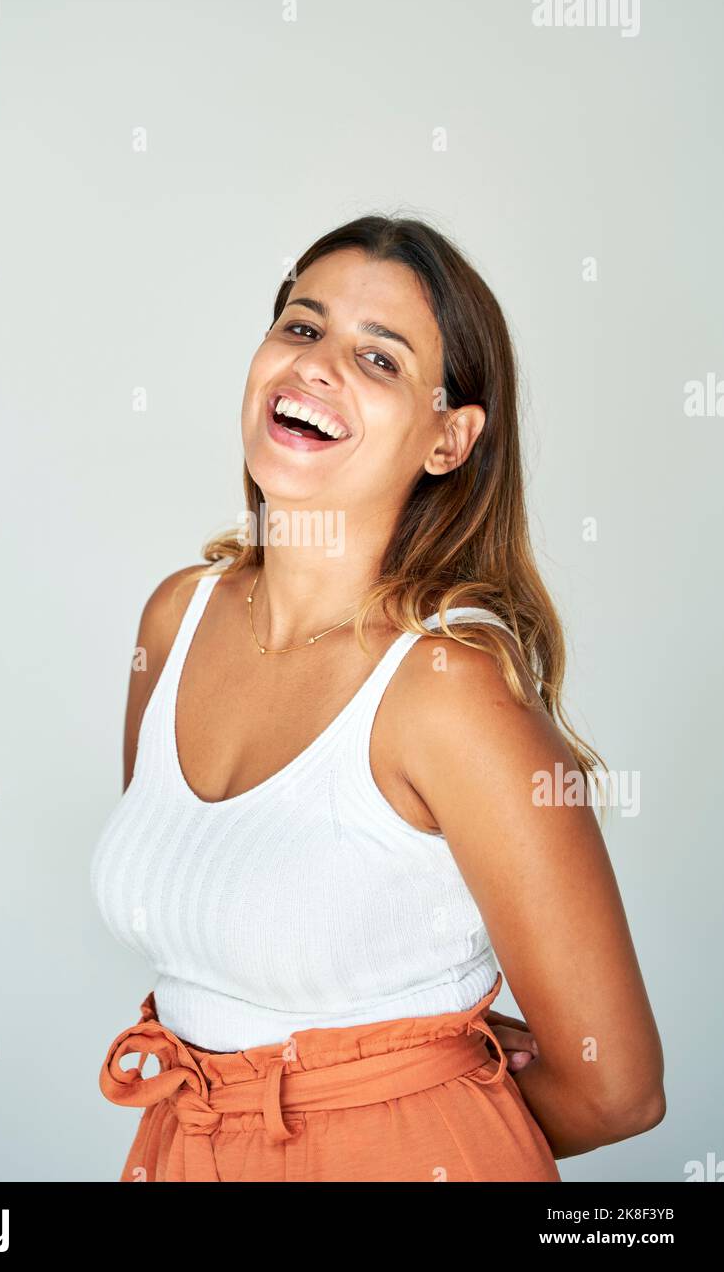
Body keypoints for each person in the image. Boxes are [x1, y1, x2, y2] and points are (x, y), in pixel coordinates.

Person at [91, 214, 665, 1182]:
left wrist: (389, 1121)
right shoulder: (175, 619)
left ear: (448, 438)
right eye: (302, 328)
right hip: (179, 1146)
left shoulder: (449, 698)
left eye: (378, 358)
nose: (316, 367)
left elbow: (615, 1090)